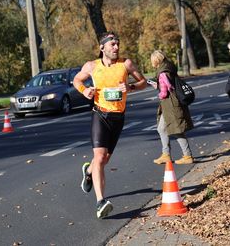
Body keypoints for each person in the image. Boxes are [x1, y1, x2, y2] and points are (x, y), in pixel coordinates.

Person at [73, 31, 147, 219]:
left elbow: (143, 82)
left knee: (104, 160)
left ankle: (88, 172)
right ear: (102, 47)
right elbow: (77, 80)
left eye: (117, 44)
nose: (116, 47)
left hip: (118, 117)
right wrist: (85, 91)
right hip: (100, 114)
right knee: (99, 156)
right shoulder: (92, 66)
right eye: (112, 44)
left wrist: (131, 87)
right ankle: (100, 202)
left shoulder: (126, 64)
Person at [150, 50, 194, 165]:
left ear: (156, 60)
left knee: (177, 130)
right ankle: (166, 155)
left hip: (171, 105)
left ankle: (187, 155)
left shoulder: (163, 72)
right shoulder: (169, 67)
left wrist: (158, 90)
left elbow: (164, 92)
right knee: (161, 128)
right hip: (170, 105)